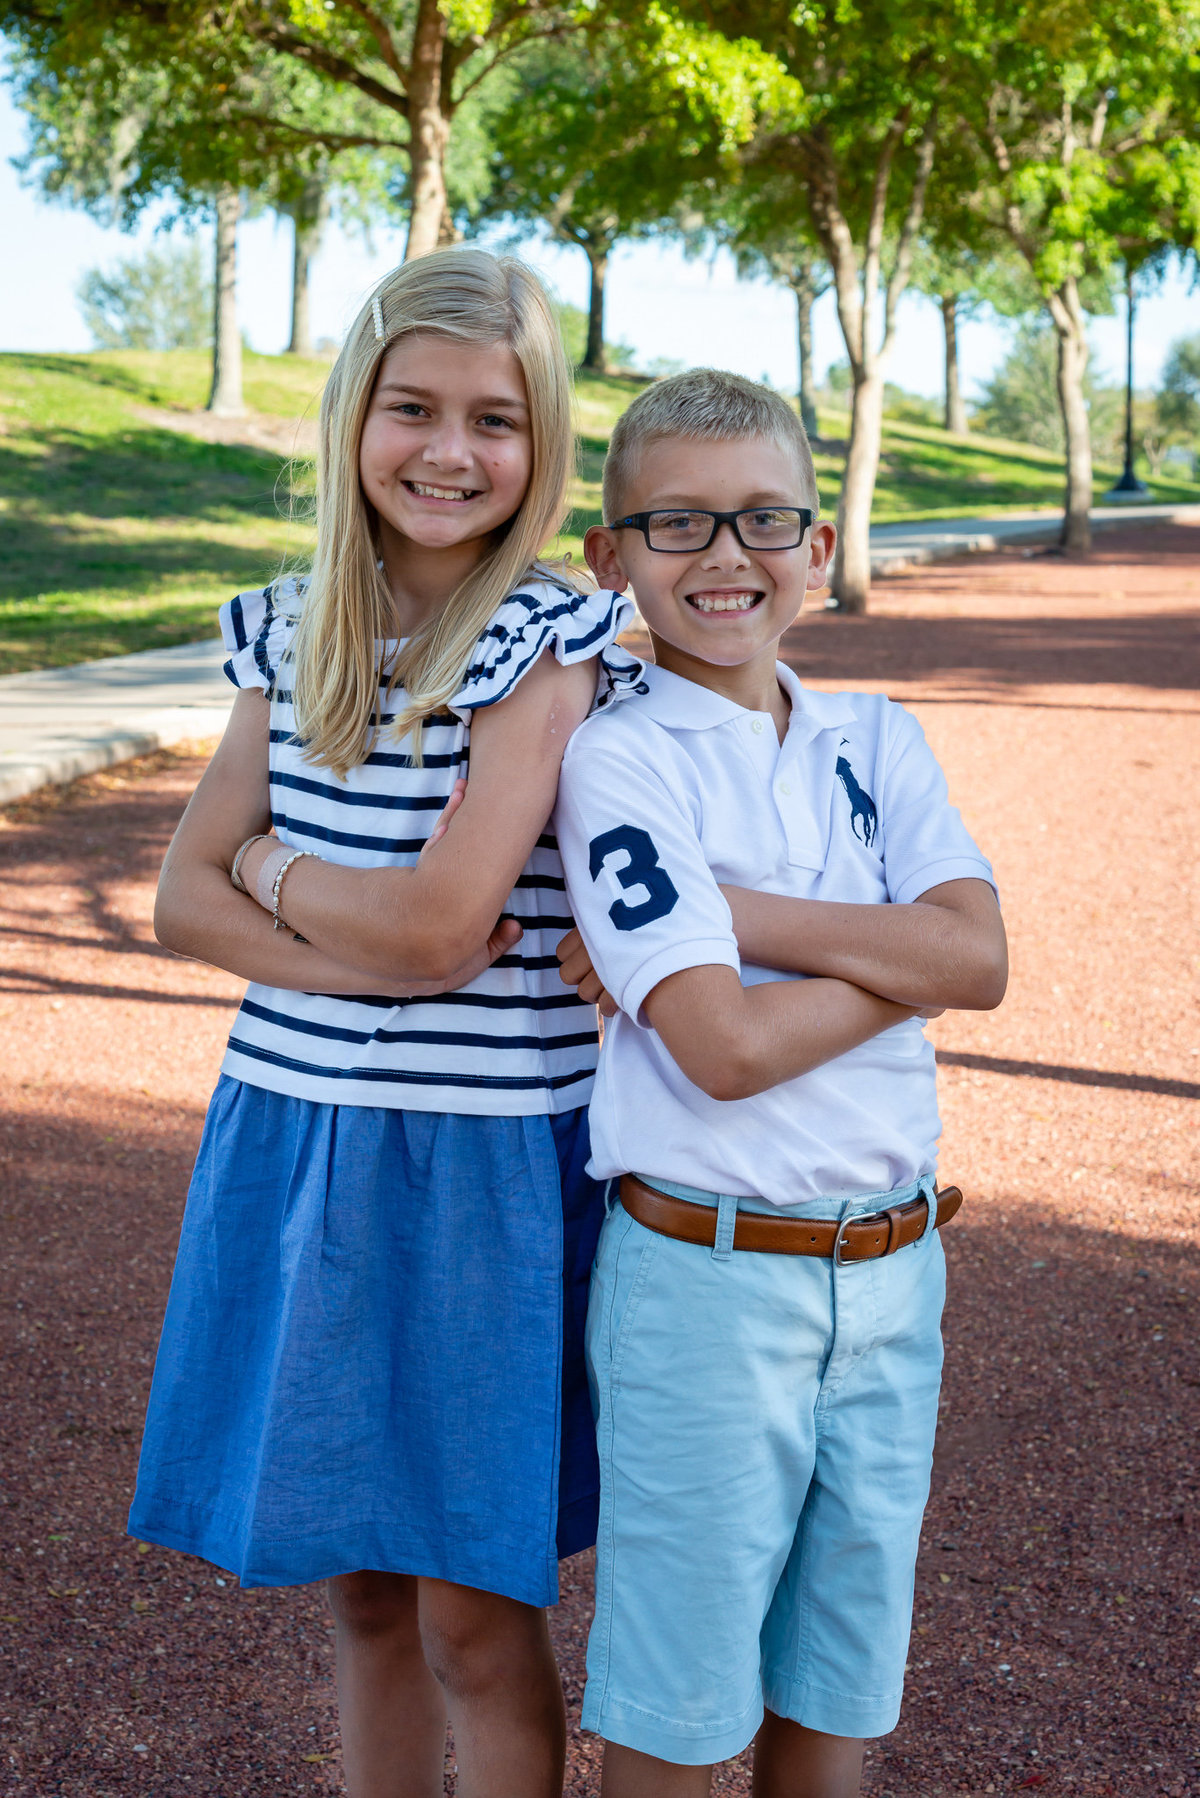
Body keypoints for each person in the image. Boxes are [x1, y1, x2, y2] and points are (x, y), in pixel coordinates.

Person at [128, 247, 641, 1798]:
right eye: (413, 406)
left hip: (483, 1167)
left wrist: (275, 875)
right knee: (354, 1588)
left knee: (477, 1614)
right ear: (355, 415)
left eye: (496, 419)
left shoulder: (545, 640)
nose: (449, 449)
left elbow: (437, 922)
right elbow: (179, 902)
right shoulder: (287, 632)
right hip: (296, 1139)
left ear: (541, 446)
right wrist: (338, 940)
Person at [552, 369, 1008, 1798]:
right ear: (611, 558)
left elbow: (982, 958)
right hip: (706, 1276)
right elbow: (725, 1052)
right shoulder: (618, 758)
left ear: (818, 546)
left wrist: (732, 911)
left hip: (894, 1269)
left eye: (764, 519)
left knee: (839, 1684)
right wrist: (911, 958)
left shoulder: (880, 735)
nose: (727, 556)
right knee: (681, 1707)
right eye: (677, 523)